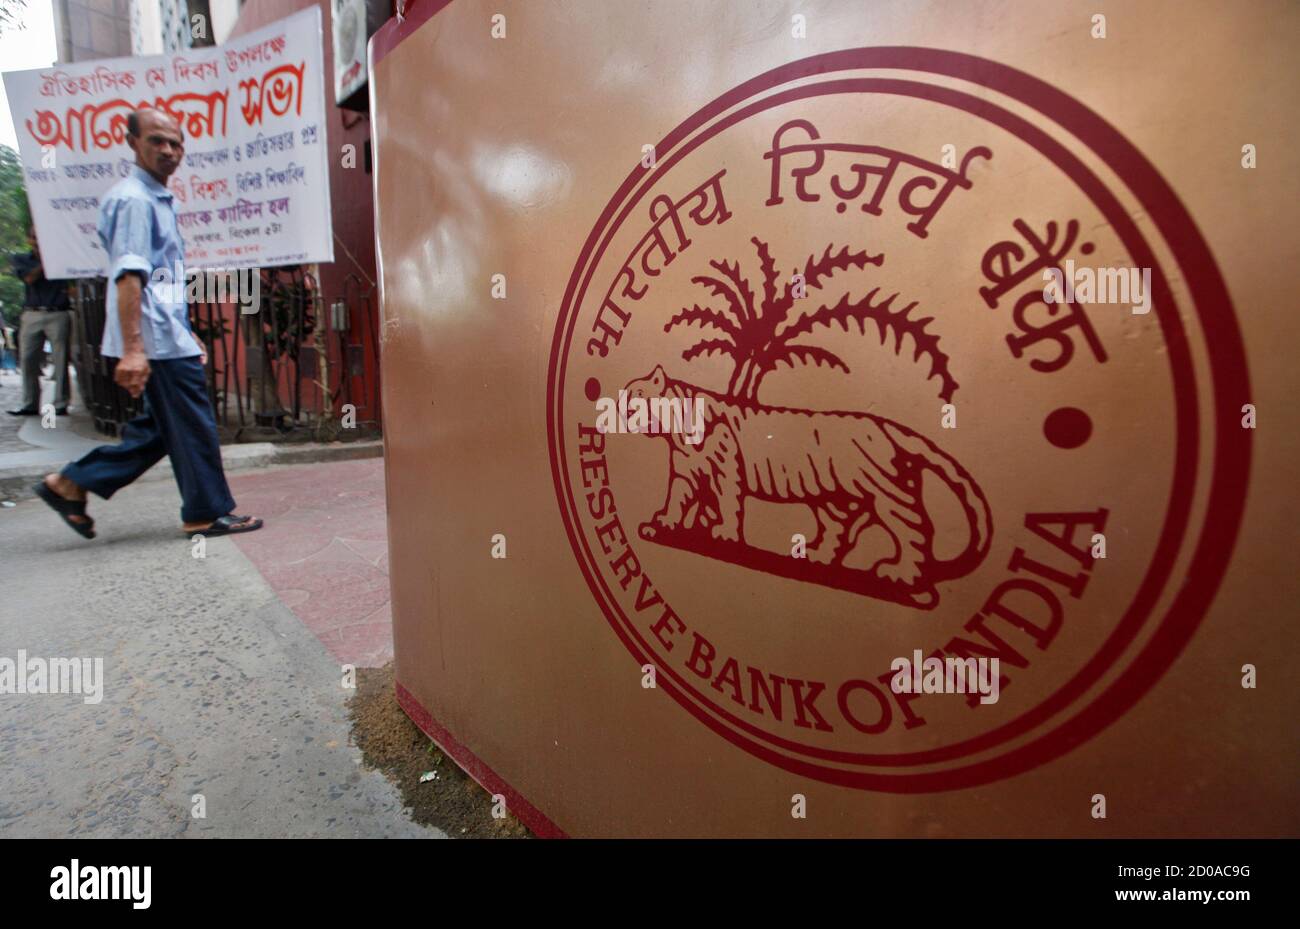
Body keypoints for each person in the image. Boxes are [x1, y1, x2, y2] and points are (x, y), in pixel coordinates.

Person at [34, 107, 263, 541]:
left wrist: (183, 329)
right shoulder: (134, 201)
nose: (169, 150)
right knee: (191, 423)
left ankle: (69, 484)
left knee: (162, 427)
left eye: (176, 143)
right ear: (132, 142)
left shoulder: (153, 198)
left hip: (164, 332)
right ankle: (204, 512)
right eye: (157, 140)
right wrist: (136, 348)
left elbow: (161, 279)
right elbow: (129, 276)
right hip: (154, 338)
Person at [7, 225, 73, 416]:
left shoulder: (61, 257)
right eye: (34, 237)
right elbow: (29, 278)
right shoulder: (21, 259)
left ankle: (60, 403)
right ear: (29, 240)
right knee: (27, 359)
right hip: (32, 313)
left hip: (58, 313)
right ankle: (30, 403)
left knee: (60, 360)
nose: (38, 241)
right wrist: (47, 260)